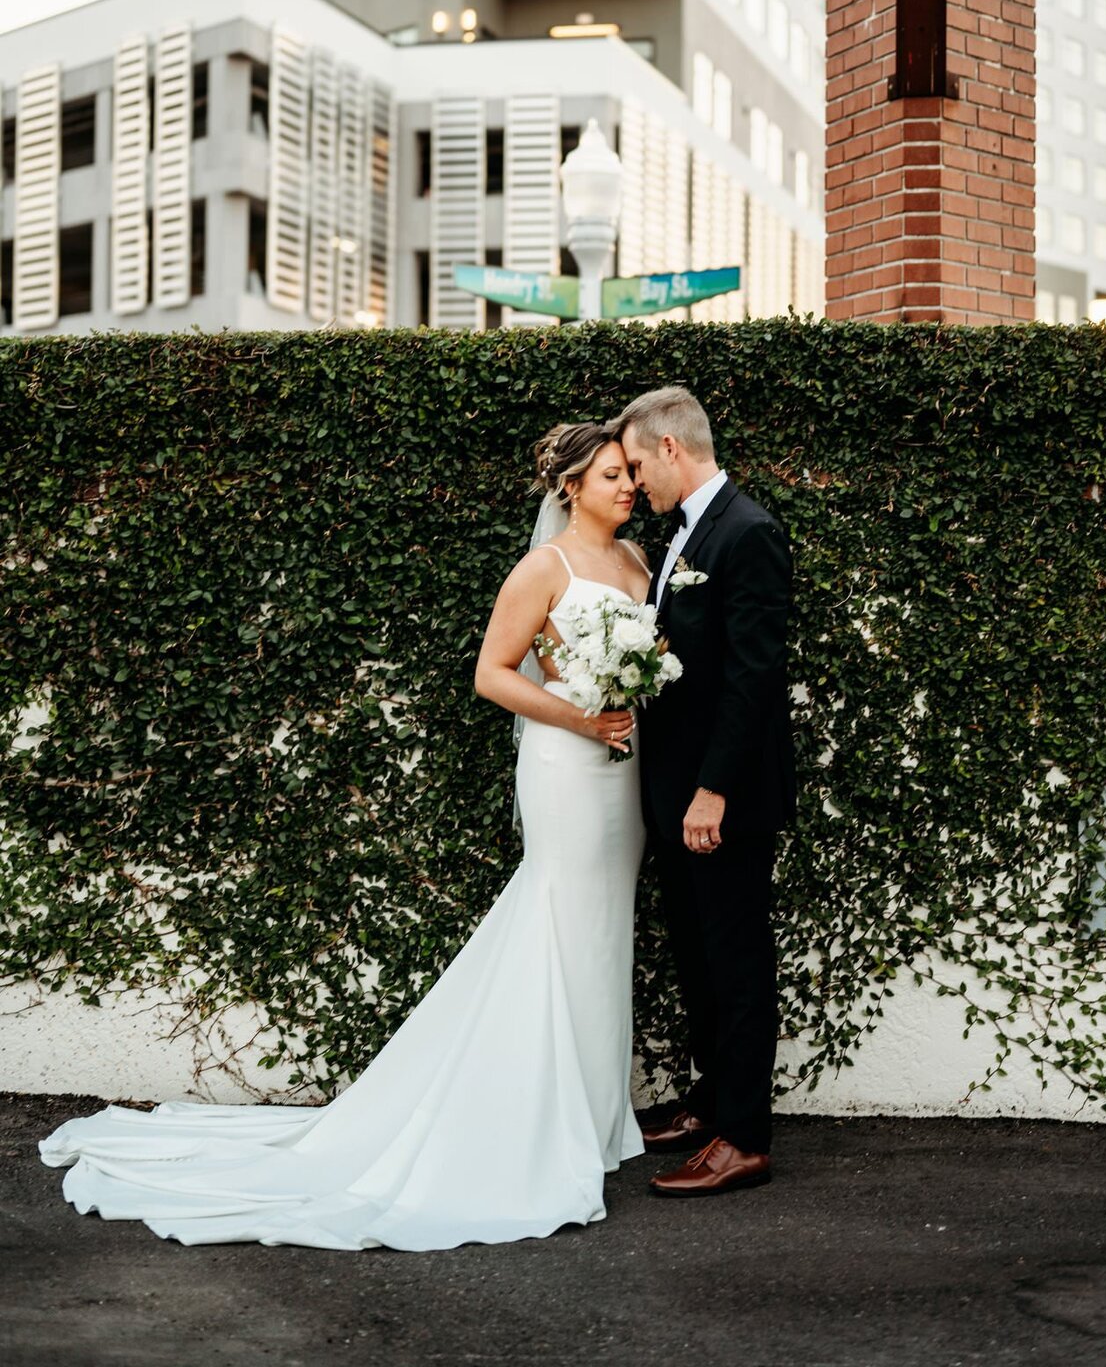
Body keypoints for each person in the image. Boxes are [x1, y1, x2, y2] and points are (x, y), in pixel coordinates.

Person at [38, 422, 651, 1251]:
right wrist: (584, 718)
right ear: (570, 486)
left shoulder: (641, 565)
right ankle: (538, 1116)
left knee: (606, 928)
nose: (629, 486)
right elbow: (492, 674)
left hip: (624, 767)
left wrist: (634, 695)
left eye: (631, 475)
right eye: (612, 474)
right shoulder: (545, 567)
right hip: (565, 763)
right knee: (557, 916)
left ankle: (597, 1116)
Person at [616, 386, 794, 1197]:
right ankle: (709, 1103)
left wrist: (713, 790)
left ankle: (744, 1141)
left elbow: (755, 679)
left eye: (636, 465)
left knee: (737, 962)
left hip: (722, 800)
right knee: (695, 955)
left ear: (670, 450)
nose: (634, 483)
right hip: (676, 793)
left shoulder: (748, 533)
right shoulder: (682, 534)